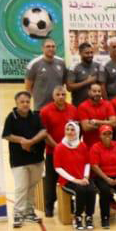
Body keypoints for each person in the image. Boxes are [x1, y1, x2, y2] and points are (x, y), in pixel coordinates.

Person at [2, 91, 47, 227]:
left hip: (36, 158)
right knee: (21, 187)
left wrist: (31, 142)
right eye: (22, 102)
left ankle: (29, 212)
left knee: (31, 187)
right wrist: (22, 140)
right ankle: (18, 213)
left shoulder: (35, 116)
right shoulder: (11, 117)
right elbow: (6, 135)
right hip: (19, 160)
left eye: (27, 101)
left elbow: (43, 131)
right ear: (17, 103)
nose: (25, 104)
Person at [39, 85, 77, 218]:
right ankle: (49, 206)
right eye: (58, 95)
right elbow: (44, 133)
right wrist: (58, 148)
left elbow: (76, 130)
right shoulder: (45, 111)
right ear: (53, 96)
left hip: (69, 152)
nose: (61, 97)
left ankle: (69, 204)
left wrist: (71, 147)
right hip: (52, 152)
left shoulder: (73, 109)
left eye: (63, 94)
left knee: (69, 179)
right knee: (51, 180)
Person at [54, 121, 96, 230]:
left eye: (72, 130)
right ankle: (77, 217)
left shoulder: (82, 146)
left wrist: (85, 177)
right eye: (67, 129)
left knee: (91, 189)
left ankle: (89, 216)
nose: (69, 132)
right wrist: (75, 180)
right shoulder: (59, 147)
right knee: (80, 191)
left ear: (77, 131)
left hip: (82, 178)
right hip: (67, 181)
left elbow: (87, 163)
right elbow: (58, 168)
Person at [25, 39, 67, 109]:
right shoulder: (34, 64)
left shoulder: (61, 63)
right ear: (42, 48)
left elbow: (63, 82)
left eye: (53, 46)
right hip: (41, 107)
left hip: (58, 105)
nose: (51, 49)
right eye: (48, 46)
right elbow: (28, 87)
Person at [76, 83, 116, 148]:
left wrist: (96, 121)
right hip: (89, 145)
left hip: (107, 144)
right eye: (94, 91)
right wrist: (106, 124)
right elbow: (86, 127)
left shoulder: (108, 104)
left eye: (99, 91)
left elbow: (114, 123)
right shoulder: (82, 106)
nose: (97, 93)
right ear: (89, 92)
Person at [67, 41, 105, 106]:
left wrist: (106, 102)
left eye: (91, 52)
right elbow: (69, 88)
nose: (90, 55)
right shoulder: (74, 68)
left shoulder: (98, 66)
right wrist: (87, 82)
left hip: (95, 106)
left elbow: (102, 86)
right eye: (87, 53)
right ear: (80, 53)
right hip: (78, 105)